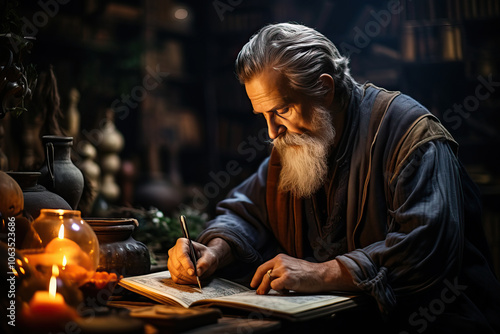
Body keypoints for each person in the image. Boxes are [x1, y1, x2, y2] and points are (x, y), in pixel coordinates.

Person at [168, 22, 500, 333]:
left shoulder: (411, 137)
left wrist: (322, 272)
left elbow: (425, 252)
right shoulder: (294, 141)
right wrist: (215, 250)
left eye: (281, 110)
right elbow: (247, 211)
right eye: (263, 116)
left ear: (325, 88)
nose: (271, 132)